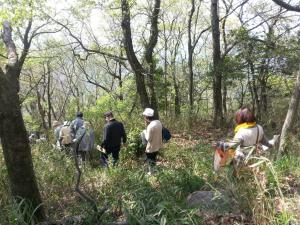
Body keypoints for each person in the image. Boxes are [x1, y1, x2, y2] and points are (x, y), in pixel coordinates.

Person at [214, 106, 279, 171]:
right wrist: (273, 142)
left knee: (221, 150)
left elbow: (232, 146)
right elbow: (266, 143)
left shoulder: (241, 132)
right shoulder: (259, 128)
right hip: (255, 157)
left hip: (242, 160)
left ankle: (218, 170)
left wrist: (219, 144)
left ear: (240, 118)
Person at [142, 108, 163, 175]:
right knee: (154, 157)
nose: (144, 117)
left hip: (151, 146)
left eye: (145, 116)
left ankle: (151, 173)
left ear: (147, 116)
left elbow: (148, 139)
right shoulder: (158, 122)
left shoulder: (150, 126)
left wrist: (145, 132)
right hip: (158, 144)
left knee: (150, 159)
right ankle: (154, 171)